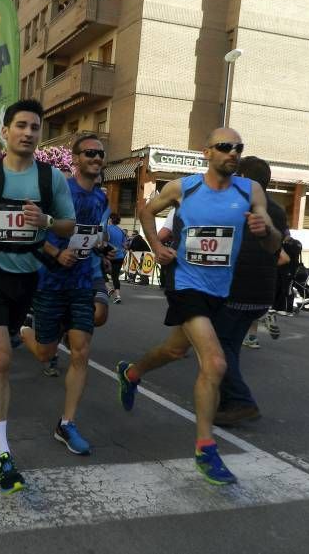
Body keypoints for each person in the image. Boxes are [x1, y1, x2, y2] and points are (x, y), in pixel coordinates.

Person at [115, 127, 280, 486]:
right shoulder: (184, 187)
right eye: (224, 147)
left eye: (238, 147)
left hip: (221, 289)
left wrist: (265, 230)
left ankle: (131, 373)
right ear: (207, 152)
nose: (233, 153)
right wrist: (156, 249)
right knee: (216, 362)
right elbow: (146, 210)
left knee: (175, 350)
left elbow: (273, 247)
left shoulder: (250, 191)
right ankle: (206, 449)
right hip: (185, 282)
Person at [0, 99, 76, 494]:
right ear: (5, 131)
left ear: (40, 133)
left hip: (27, 274)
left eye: (35, 127)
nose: (27, 132)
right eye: (20, 125)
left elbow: (69, 226)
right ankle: (3, 454)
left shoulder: (50, 179)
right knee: (3, 357)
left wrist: (48, 222)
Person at [19, 133, 108, 456]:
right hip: (50, 283)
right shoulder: (60, 191)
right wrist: (56, 254)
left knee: (81, 351)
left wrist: (100, 245)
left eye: (100, 154)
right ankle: (22, 331)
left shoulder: (101, 198)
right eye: (89, 153)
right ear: (75, 158)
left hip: (82, 283)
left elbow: (91, 236)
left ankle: (66, 423)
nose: (96, 159)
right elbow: (32, 231)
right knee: (45, 352)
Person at [212, 156, 288, 427]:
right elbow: (278, 248)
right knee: (230, 346)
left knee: (218, 346)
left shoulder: (238, 205)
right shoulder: (277, 209)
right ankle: (228, 402)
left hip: (237, 289)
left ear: (244, 177)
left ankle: (241, 400)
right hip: (263, 292)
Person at [106, 213, 126, 303]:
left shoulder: (106, 229)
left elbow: (104, 241)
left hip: (109, 255)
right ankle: (118, 296)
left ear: (110, 219)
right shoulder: (121, 231)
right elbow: (124, 245)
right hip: (120, 256)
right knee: (115, 277)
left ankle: (109, 288)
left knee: (99, 270)